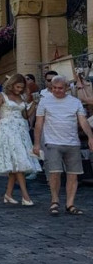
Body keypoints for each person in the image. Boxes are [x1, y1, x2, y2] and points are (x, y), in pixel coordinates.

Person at [33, 75, 93, 215]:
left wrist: (90, 137)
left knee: (73, 174)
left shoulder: (75, 102)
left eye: (60, 88)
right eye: (54, 88)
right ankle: (54, 201)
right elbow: (39, 123)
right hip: (52, 142)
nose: (57, 91)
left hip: (72, 142)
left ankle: (70, 204)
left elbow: (83, 121)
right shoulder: (45, 102)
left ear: (66, 88)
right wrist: (36, 143)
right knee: (54, 173)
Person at [0, 74, 37, 206]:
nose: (19, 89)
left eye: (21, 87)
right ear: (12, 84)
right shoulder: (2, 96)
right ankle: (25, 196)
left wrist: (35, 104)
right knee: (18, 160)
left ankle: (8, 194)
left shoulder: (22, 97)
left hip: (21, 129)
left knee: (17, 161)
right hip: (7, 130)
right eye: (17, 86)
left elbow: (25, 115)